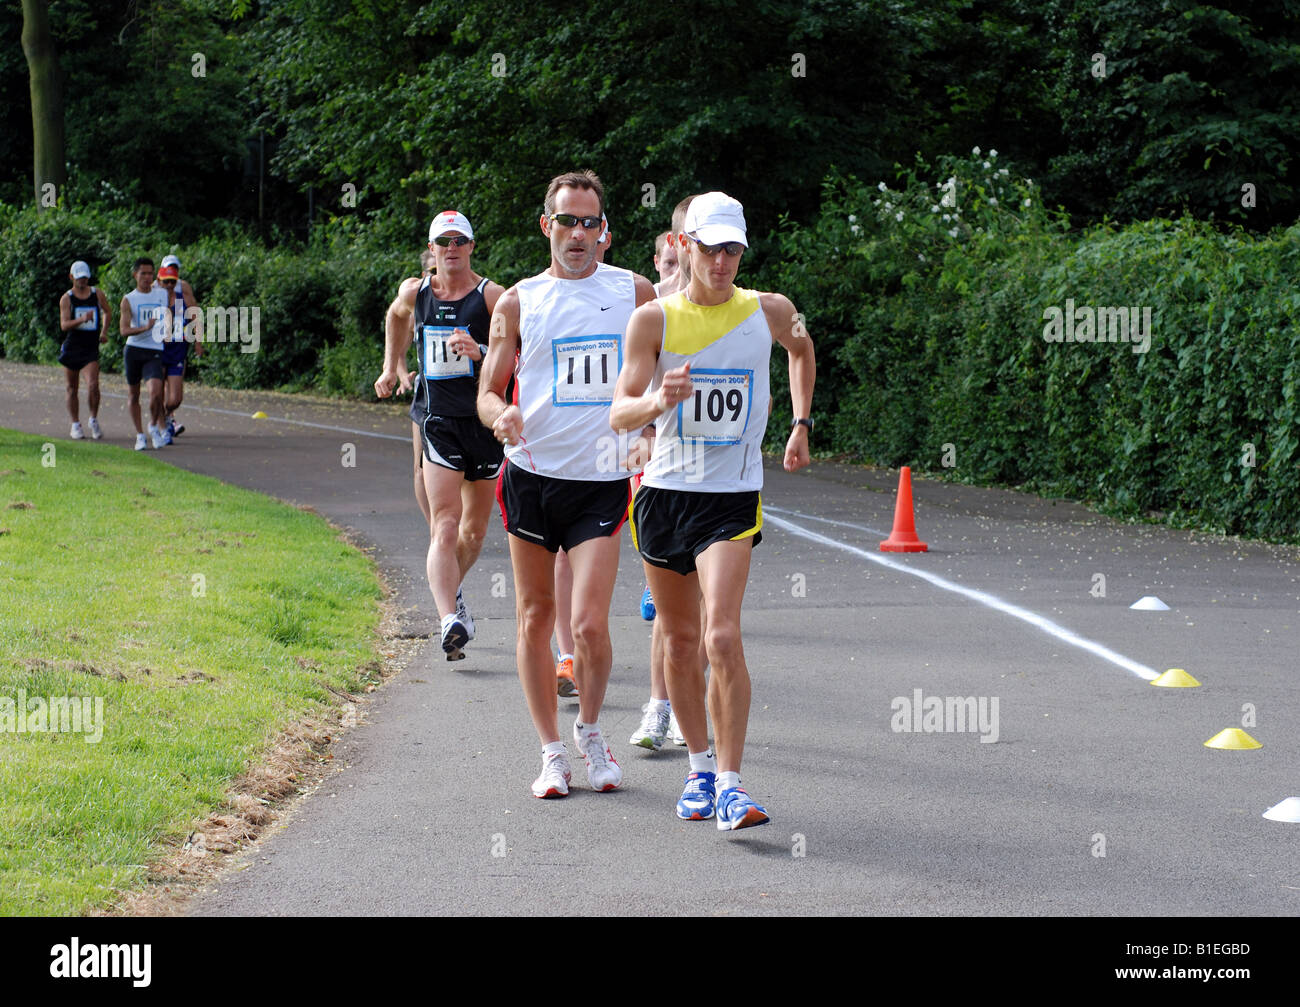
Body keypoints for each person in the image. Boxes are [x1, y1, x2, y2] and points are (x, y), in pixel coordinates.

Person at [611, 191, 816, 830]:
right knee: (677, 642)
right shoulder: (654, 320)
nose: (722, 262)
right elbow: (619, 412)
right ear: (685, 247)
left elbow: (802, 349)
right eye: (710, 248)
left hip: (732, 496)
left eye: (733, 249)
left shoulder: (770, 310)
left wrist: (801, 422)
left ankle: (731, 782)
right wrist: (656, 400)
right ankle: (698, 770)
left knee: (719, 634)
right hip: (665, 494)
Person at [478, 170, 655, 798]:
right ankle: (551, 752)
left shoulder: (634, 292)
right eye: (566, 220)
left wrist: (649, 430)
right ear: (545, 225)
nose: (577, 233)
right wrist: (501, 416)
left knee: (588, 626)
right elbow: (488, 391)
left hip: (601, 480)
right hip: (532, 476)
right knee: (533, 617)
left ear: (603, 231)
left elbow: (653, 375)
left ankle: (590, 729)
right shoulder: (518, 301)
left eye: (589, 222)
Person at [376, 212, 504, 661]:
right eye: (442, 242)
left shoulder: (493, 298)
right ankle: (448, 617)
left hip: (484, 423)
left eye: (459, 241)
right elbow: (395, 317)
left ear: (471, 246)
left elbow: (524, 353)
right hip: (436, 420)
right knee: (444, 523)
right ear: (431, 249)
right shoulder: (416, 292)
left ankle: (453, 591)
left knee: (474, 529)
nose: (451, 248)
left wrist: (482, 350)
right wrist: (392, 365)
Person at [376, 248, 436, 530]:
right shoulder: (416, 303)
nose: (440, 277)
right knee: (421, 467)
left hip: (460, 395)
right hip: (424, 392)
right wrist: (401, 376)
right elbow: (398, 350)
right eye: (433, 272)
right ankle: (434, 526)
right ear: (424, 275)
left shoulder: (468, 294)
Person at [119, 257, 172, 450]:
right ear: (135, 275)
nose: (147, 277)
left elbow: (166, 313)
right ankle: (140, 435)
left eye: (150, 273)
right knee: (134, 395)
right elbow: (124, 330)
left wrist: (166, 330)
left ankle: (152, 426)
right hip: (134, 349)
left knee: (156, 393)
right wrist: (144, 327)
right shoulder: (129, 299)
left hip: (154, 350)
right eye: (143, 273)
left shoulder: (161, 294)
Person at [57, 261, 111, 440]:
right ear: (72, 277)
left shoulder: (97, 294)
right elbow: (64, 325)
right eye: (79, 277)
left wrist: (103, 332)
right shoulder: (67, 298)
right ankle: (75, 424)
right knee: (72, 388)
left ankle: (93, 419)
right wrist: (82, 319)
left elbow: (107, 312)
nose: (83, 280)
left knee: (93, 385)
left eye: (85, 277)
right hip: (72, 347)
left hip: (90, 348)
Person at [157, 255, 203, 440]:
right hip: (158, 349)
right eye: (169, 268)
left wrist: (198, 342)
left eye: (175, 268)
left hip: (178, 347)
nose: (170, 278)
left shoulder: (183, 288)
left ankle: (166, 415)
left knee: (175, 398)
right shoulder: (152, 289)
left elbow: (194, 315)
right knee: (158, 390)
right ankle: (163, 424)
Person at [652, 230, 679, 298]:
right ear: (656, 262)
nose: (676, 271)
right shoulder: (642, 302)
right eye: (670, 263)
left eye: (682, 263)